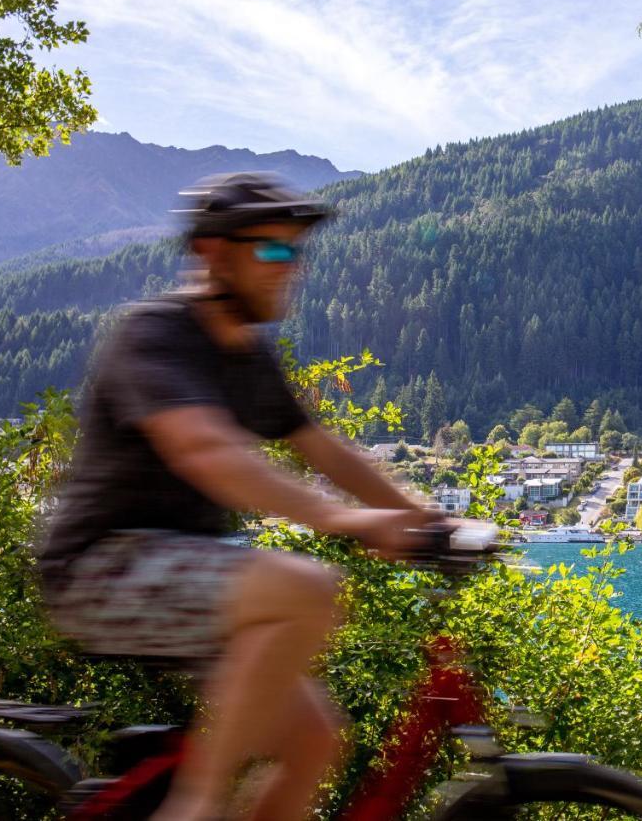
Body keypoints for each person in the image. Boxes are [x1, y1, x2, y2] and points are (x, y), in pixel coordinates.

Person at [37, 172, 440, 820]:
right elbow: (207, 450)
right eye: (274, 249)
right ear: (213, 253)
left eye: (298, 251)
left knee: (315, 739)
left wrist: (431, 521)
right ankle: (194, 806)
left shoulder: (249, 357)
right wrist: (349, 521)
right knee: (308, 586)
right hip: (100, 568)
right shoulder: (156, 334)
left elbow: (325, 449)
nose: (293, 267)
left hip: (189, 572)